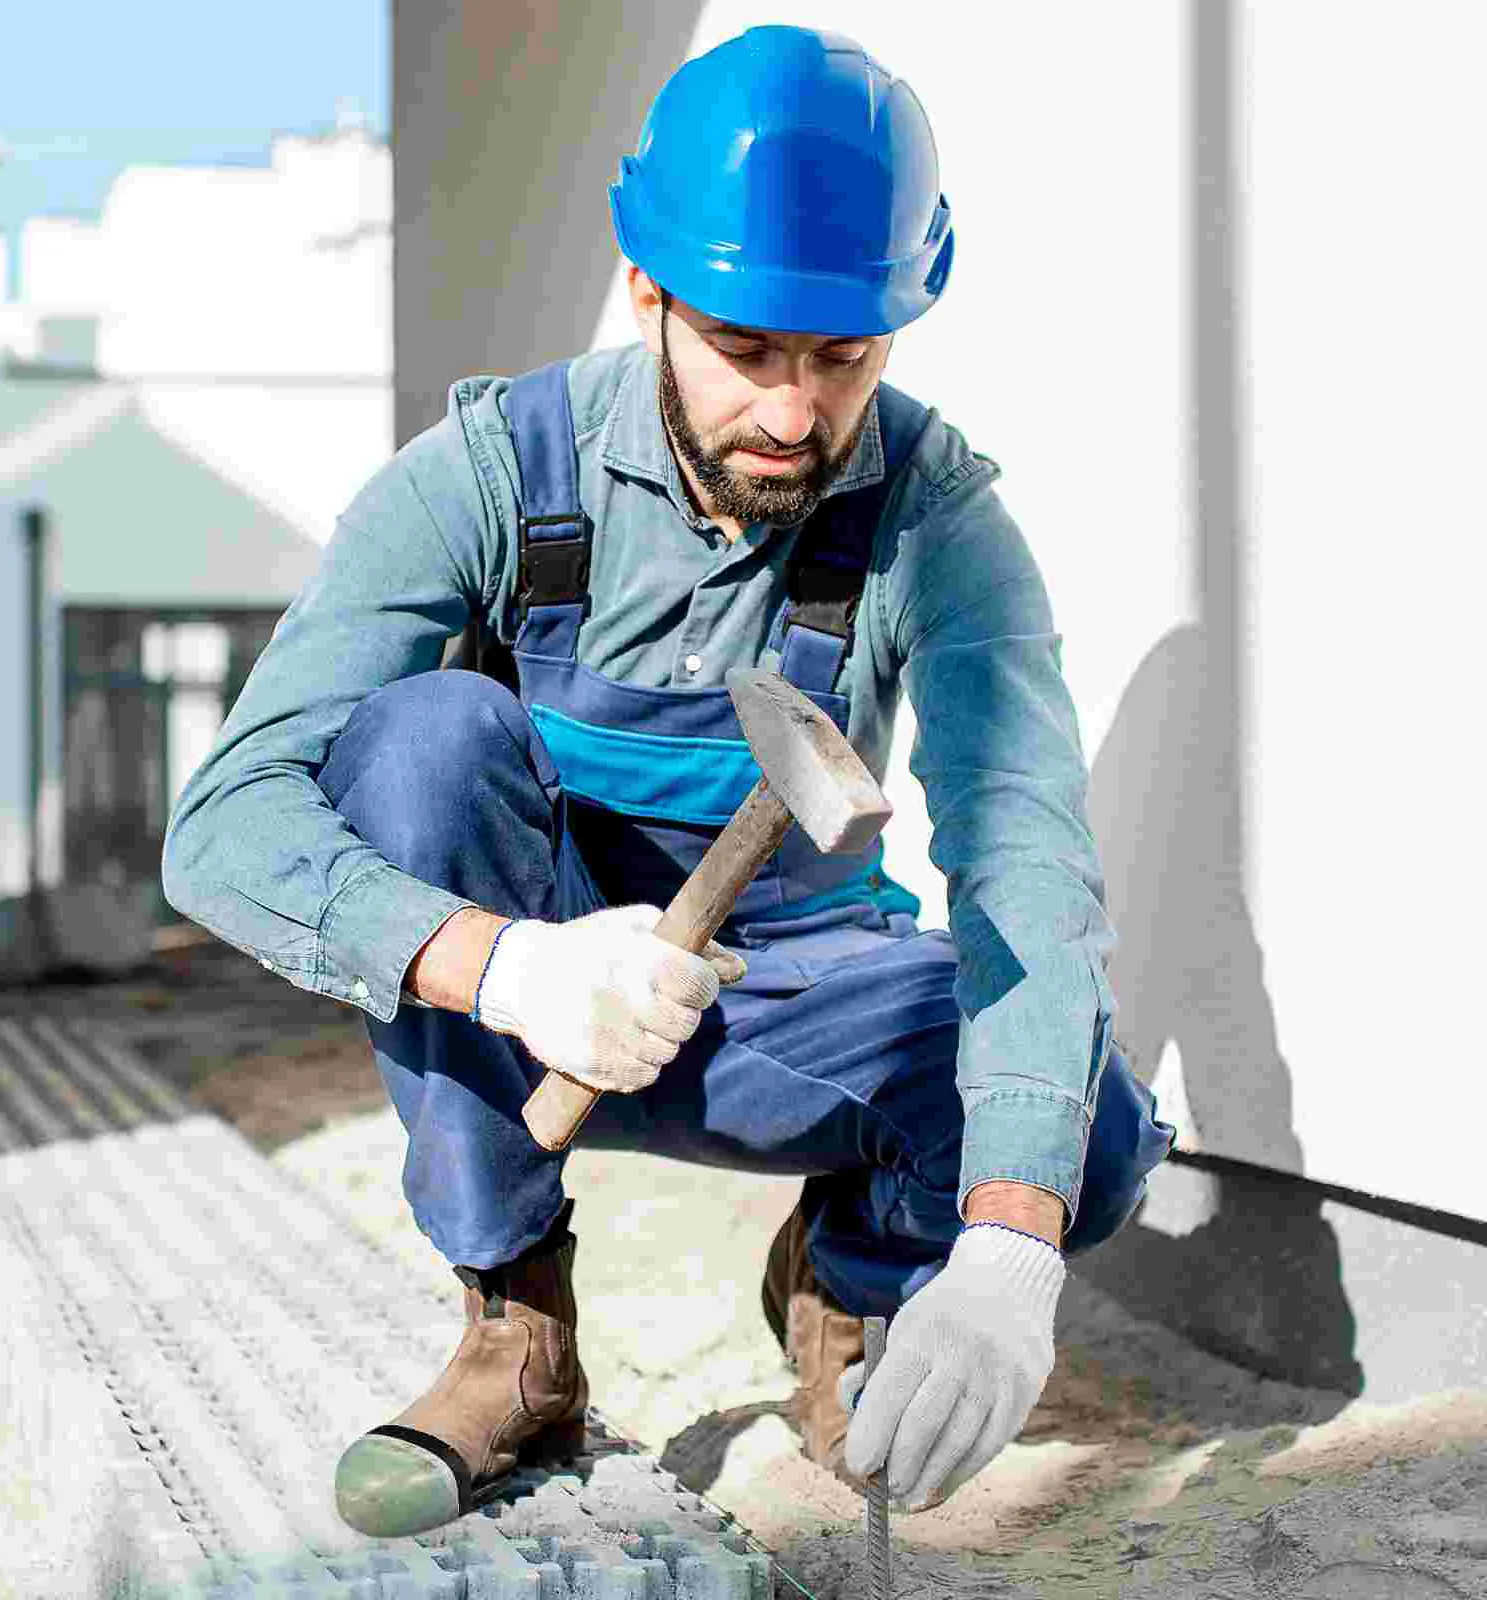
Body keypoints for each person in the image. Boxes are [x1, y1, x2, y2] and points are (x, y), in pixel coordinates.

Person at [162, 23, 1173, 1540]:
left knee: (1081, 1119)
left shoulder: (936, 517)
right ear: (646, 284)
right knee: (420, 745)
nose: (792, 412)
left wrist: (1011, 1247)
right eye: (747, 348)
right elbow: (223, 824)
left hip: (791, 1003)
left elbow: (1027, 863)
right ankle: (517, 1332)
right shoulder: (501, 472)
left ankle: (846, 1284)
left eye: (842, 357)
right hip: (535, 1027)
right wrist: (503, 966)